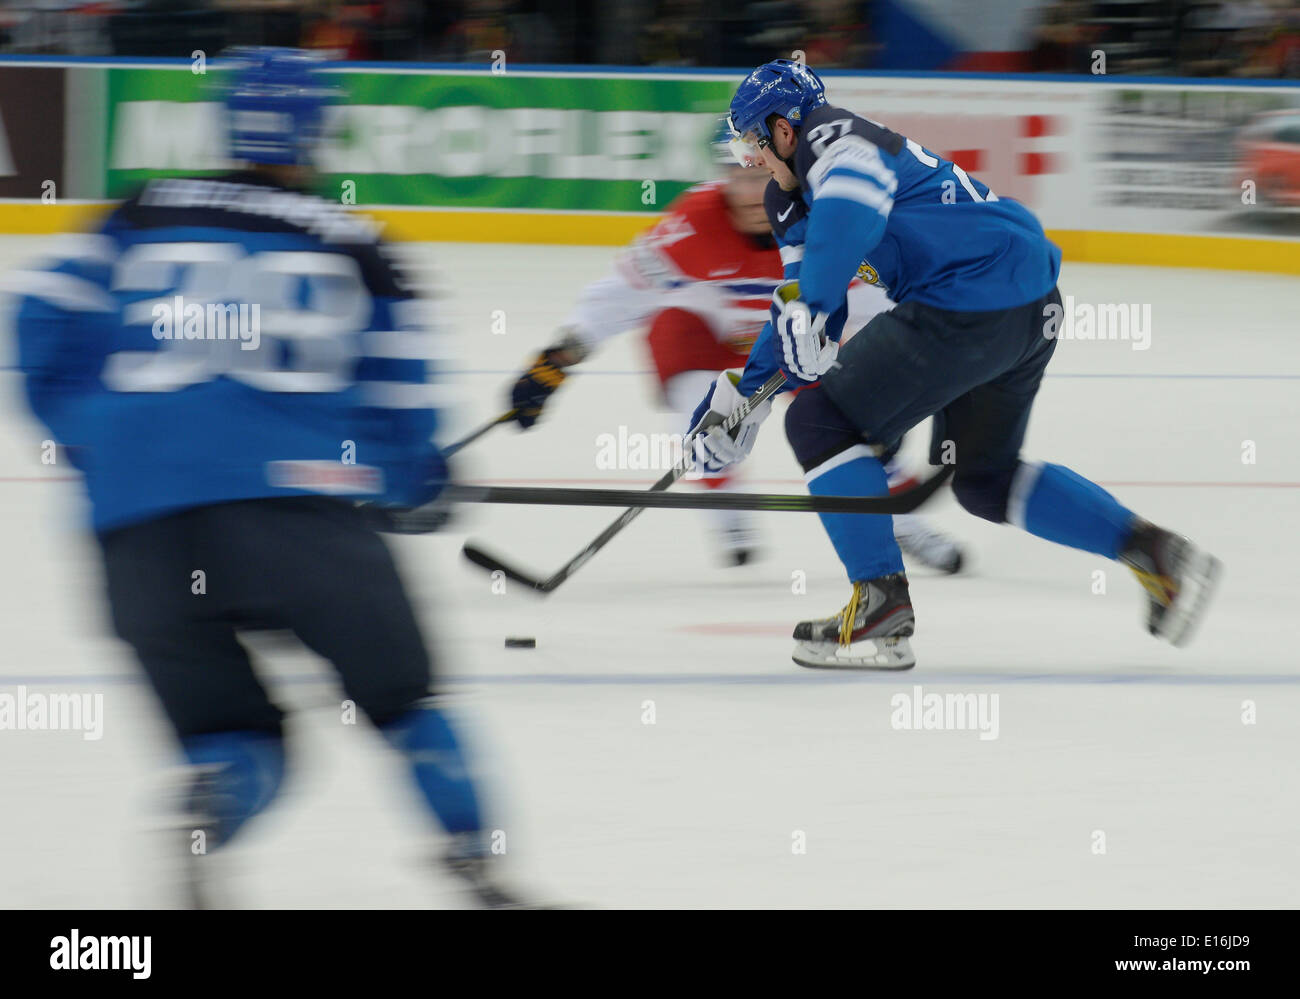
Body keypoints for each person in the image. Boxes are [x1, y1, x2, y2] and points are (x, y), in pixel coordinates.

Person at [11, 47, 523, 907]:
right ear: (316, 131)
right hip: (300, 514)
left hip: (140, 530)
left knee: (233, 734)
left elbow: (37, 320)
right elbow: (399, 408)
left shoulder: (138, 213)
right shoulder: (361, 245)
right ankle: (478, 861)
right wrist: (415, 482)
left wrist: (94, 438)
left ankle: (210, 803)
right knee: (402, 704)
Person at [689, 59, 1221, 670]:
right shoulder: (789, 197)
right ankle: (1152, 550)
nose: (748, 158)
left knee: (819, 424)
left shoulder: (835, 139)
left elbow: (845, 225)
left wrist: (809, 310)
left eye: (753, 140)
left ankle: (879, 607)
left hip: (966, 305)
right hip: (1027, 308)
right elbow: (808, 315)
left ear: (784, 129)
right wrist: (740, 400)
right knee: (984, 479)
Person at [507, 122, 965, 572]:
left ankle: (904, 523)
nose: (749, 193)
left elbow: (872, 306)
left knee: (847, 425)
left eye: (760, 176)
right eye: (738, 176)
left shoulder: (830, 218)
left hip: (795, 341)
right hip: (713, 337)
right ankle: (727, 511)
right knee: (692, 391)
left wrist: (878, 393)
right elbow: (623, 290)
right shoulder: (692, 222)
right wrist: (559, 358)